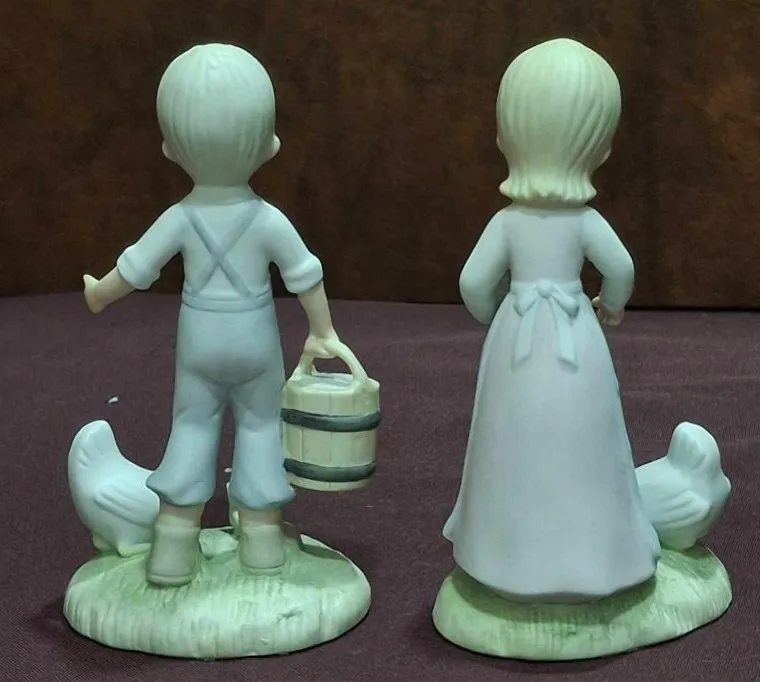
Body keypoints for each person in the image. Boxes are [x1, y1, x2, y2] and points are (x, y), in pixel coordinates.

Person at [83, 43, 351, 587]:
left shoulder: (180, 217)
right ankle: (262, 545)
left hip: (200, 340)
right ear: (270, 145)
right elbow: (306, 274)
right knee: (261, 427)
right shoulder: (267, 218)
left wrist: (100, 295)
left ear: (170, 149)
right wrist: (322, 331)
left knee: (190, 426)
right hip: (255, 341)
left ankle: (172, 550)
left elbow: (134, 269)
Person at [443, 38, 661, 603]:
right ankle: (594, 555)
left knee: (510, 441)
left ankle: (504, 557)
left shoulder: (508, 222)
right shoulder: (585, 221)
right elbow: (621, 269)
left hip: (516, 338)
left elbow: (472, 284)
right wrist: (612, 306)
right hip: (574, 338)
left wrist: (498, 317)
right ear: (602, 150)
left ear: (503, 137)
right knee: (583, 441)